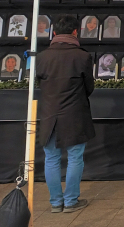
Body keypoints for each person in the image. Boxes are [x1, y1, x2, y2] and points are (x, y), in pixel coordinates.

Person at [37, 15, 95, 214]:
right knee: (75, 157)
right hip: (75, 113)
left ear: (53, 33)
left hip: (48, 113)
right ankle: (71, 201)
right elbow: (89, 87)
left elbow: (39, 84)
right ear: (75, 32)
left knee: (51, 158)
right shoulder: (82, 56)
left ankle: (55, 202)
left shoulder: (42, 57)